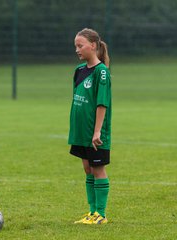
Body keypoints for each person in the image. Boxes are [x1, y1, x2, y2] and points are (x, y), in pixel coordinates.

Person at [68, 28, 111, 224]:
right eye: (75, 46)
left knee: (98, 168)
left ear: (93, 46)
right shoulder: (79, 71)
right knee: (87, 168)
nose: (77, 50)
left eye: (80, 45)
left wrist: (97, 131)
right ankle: (91, 212)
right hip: (80, 130)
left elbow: (102, 103)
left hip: (95, 132)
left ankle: (101, 214)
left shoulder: (101, 73)